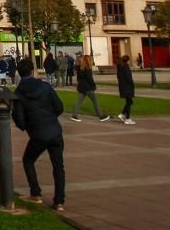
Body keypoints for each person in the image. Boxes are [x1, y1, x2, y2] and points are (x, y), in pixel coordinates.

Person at [11, 58, 65, 212]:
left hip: (38, 135)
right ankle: (59, 201)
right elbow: (59, 107)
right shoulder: (45, 87)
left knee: (28, 160)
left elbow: (20, 122)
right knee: (58, 167)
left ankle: (35, 193)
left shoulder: (19, 94)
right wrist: (50, 118)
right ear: (32, 71)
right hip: (55, 132)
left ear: (19, 74)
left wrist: (30, 124)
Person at [70, 55, 110, 122]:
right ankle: (101, 116)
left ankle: (74, 115)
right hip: (88, 88)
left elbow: (78, 78)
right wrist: (94, 86)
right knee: (95, 102)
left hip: (81, 87)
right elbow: (90, 79)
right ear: (88, 61)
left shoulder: (79, 68)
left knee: (78, 102)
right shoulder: (88, 68)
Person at [116, 55, 136, 125]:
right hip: (127, 87)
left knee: (129, 102)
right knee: (129, 102)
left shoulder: (119, 67)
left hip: (122, 86)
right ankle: (127, 118)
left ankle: (122, 114)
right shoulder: (125, 67)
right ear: (127, 60)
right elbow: (129, 77)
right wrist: (132, 85)